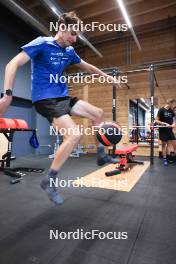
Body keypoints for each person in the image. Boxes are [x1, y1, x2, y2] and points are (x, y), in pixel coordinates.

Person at [0, 12, 120, 204]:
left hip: (63, 97)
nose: (74, 39)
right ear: (61, 28)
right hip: (45, 100)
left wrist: (108, 78)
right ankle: (50, 179)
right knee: (73, 135)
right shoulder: (41, 43)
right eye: (72, 33)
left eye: (77, 35)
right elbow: (12, 64)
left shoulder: (70, 52)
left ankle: (100, 155)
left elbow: (88, 67)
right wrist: (7, 95)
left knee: (98, 114)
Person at [155, 99, 176, 166]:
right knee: (164, 145)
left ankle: (173, 158)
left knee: (175, 144)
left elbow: (174, 119)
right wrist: (164, 123)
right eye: (173, 104)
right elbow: (156, 120)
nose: (173, 106)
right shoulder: (161, 110)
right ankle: (165, 159)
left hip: (170, 131)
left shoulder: (171, 111)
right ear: (169, 103)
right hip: (163, 131)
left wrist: (173, 124)